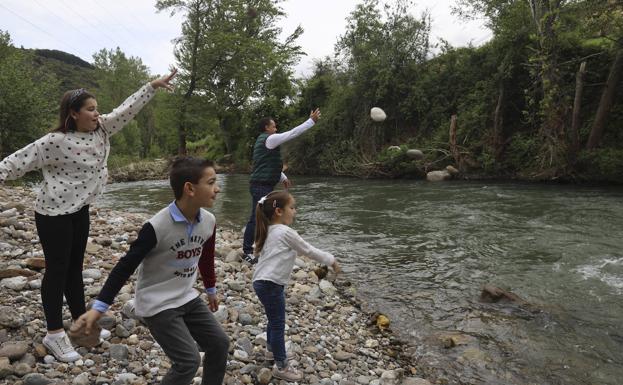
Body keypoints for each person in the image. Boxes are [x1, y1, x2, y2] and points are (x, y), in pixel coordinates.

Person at [0, 68, 177, 362]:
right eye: (91, 110)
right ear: (73, 113)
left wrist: (151, 86)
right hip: (53, 213)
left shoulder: (102, 129)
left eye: (97, 109)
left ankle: (81, 323)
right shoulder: (53, 142)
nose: (97, 114)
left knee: (75, 268)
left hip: (80, 209)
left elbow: (126, 110)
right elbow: (15, 162)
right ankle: (54, 333)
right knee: (57, 270)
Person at [76, 157, 229, 385]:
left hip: (186, 297)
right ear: (189, 188)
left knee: (219, 344)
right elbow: (124, 266)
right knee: (188, 361)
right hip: (157, 303)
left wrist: (211, 289)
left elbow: (205, 257)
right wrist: (99, 307)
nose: (217, 188)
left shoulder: (208, 221)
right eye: (211, 182)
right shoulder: (157, 226)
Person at [252, 190, 341, 381]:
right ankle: (282, 366)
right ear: (278, 211)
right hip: (271, 283)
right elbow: (309, 250)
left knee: (272, 319)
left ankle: (270, 351)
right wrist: (331, 260)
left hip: (261, 281)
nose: (295, 211)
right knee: (277, 324)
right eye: (292, 208)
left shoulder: (269, 230)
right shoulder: (285, 232)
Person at [241, 109, 321, 264]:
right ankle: (247, 252)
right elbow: (291, 134)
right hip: (261, 186)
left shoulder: (264, 141)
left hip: (262, 185)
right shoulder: (269, 139)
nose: (276, 129)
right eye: (274, 126)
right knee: (256, 218)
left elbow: (267, 164)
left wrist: (283, 176)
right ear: (266, 128)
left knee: (264, 217)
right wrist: (311, 121)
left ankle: (259, 246)